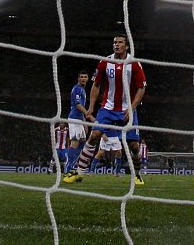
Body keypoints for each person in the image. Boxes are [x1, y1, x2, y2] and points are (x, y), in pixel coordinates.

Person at [63, 34, 147, 186]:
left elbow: (141, 88)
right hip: (107, 108)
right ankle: (79, 172)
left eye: (120, 42)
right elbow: (96, 85)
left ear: (126, 46)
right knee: (94, 136)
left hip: (127, 109)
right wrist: (91, 107)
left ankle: (138, 175)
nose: (116, 44)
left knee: (133, 145)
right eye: (115, 42)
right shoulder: (105, 62)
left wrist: (132, 107)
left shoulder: (134, 64)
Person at [64, 71, 94, 175]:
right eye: (81, 77)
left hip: (79, 120)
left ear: (88, 78)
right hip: (74, 118)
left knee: (82, 141)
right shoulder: (77, 89)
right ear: (78, 78)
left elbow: (81, 107)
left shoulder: (83, 90)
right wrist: (88, 115)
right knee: (75, 142)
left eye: (85, 77)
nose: (83, 79)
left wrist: (84, 122)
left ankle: (72, 164)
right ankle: (68, 167)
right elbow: (77, 105)